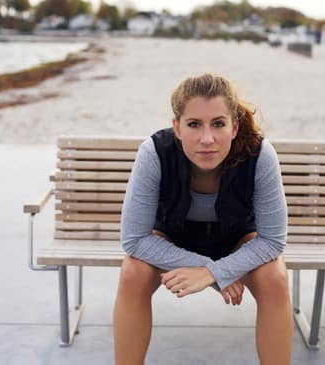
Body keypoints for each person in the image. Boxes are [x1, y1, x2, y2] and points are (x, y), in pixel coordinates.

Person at [113, 73, 293, 365]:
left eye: (218, 124)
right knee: (133, 272)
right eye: (194, 124)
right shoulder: (155, 152)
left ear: (234, 127)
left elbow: (273, 241)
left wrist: (214, 273)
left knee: (275, 277)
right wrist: (211, 269)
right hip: (173, 239)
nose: (207, 139)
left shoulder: (260, 154)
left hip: (237, 240)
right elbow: (134, 239)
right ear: (177, 127)